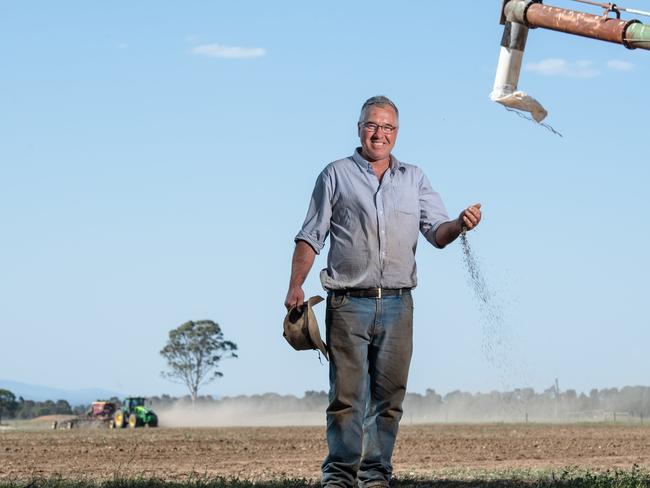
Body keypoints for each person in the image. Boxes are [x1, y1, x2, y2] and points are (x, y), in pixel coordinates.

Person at [284, 95, 482, 488]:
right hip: (347, 303)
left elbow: (436, 233)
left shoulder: (414, 178)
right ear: (359, 129)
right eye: (373, 125)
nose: (380, 133)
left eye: (388, 127)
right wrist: (295, 284)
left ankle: (375, 476)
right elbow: (311, 236)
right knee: (347, 399)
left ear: (397, 133)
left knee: (388, 400)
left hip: (397, 304)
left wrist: (459, 223)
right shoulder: (335, 174)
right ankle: (339, 477)